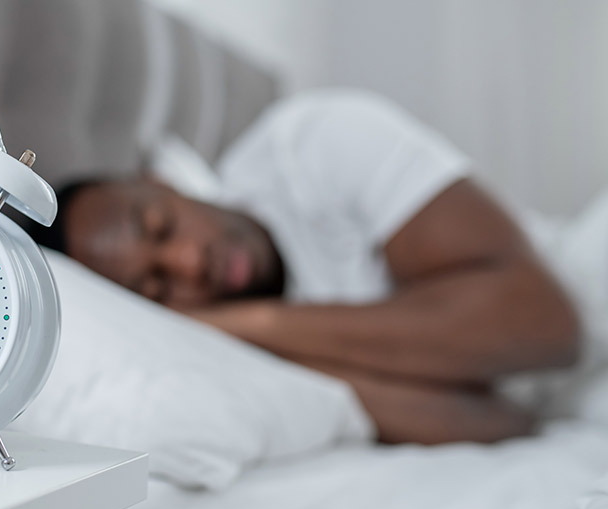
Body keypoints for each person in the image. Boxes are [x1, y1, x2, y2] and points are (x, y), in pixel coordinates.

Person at [32, 90, 580, 445]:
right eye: (156, 285)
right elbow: (499, 420)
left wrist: (257, 323)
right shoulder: (220, 363)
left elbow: (548, 326)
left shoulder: (314, 145)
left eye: (161, 227)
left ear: (162, 183)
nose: (190, 261)